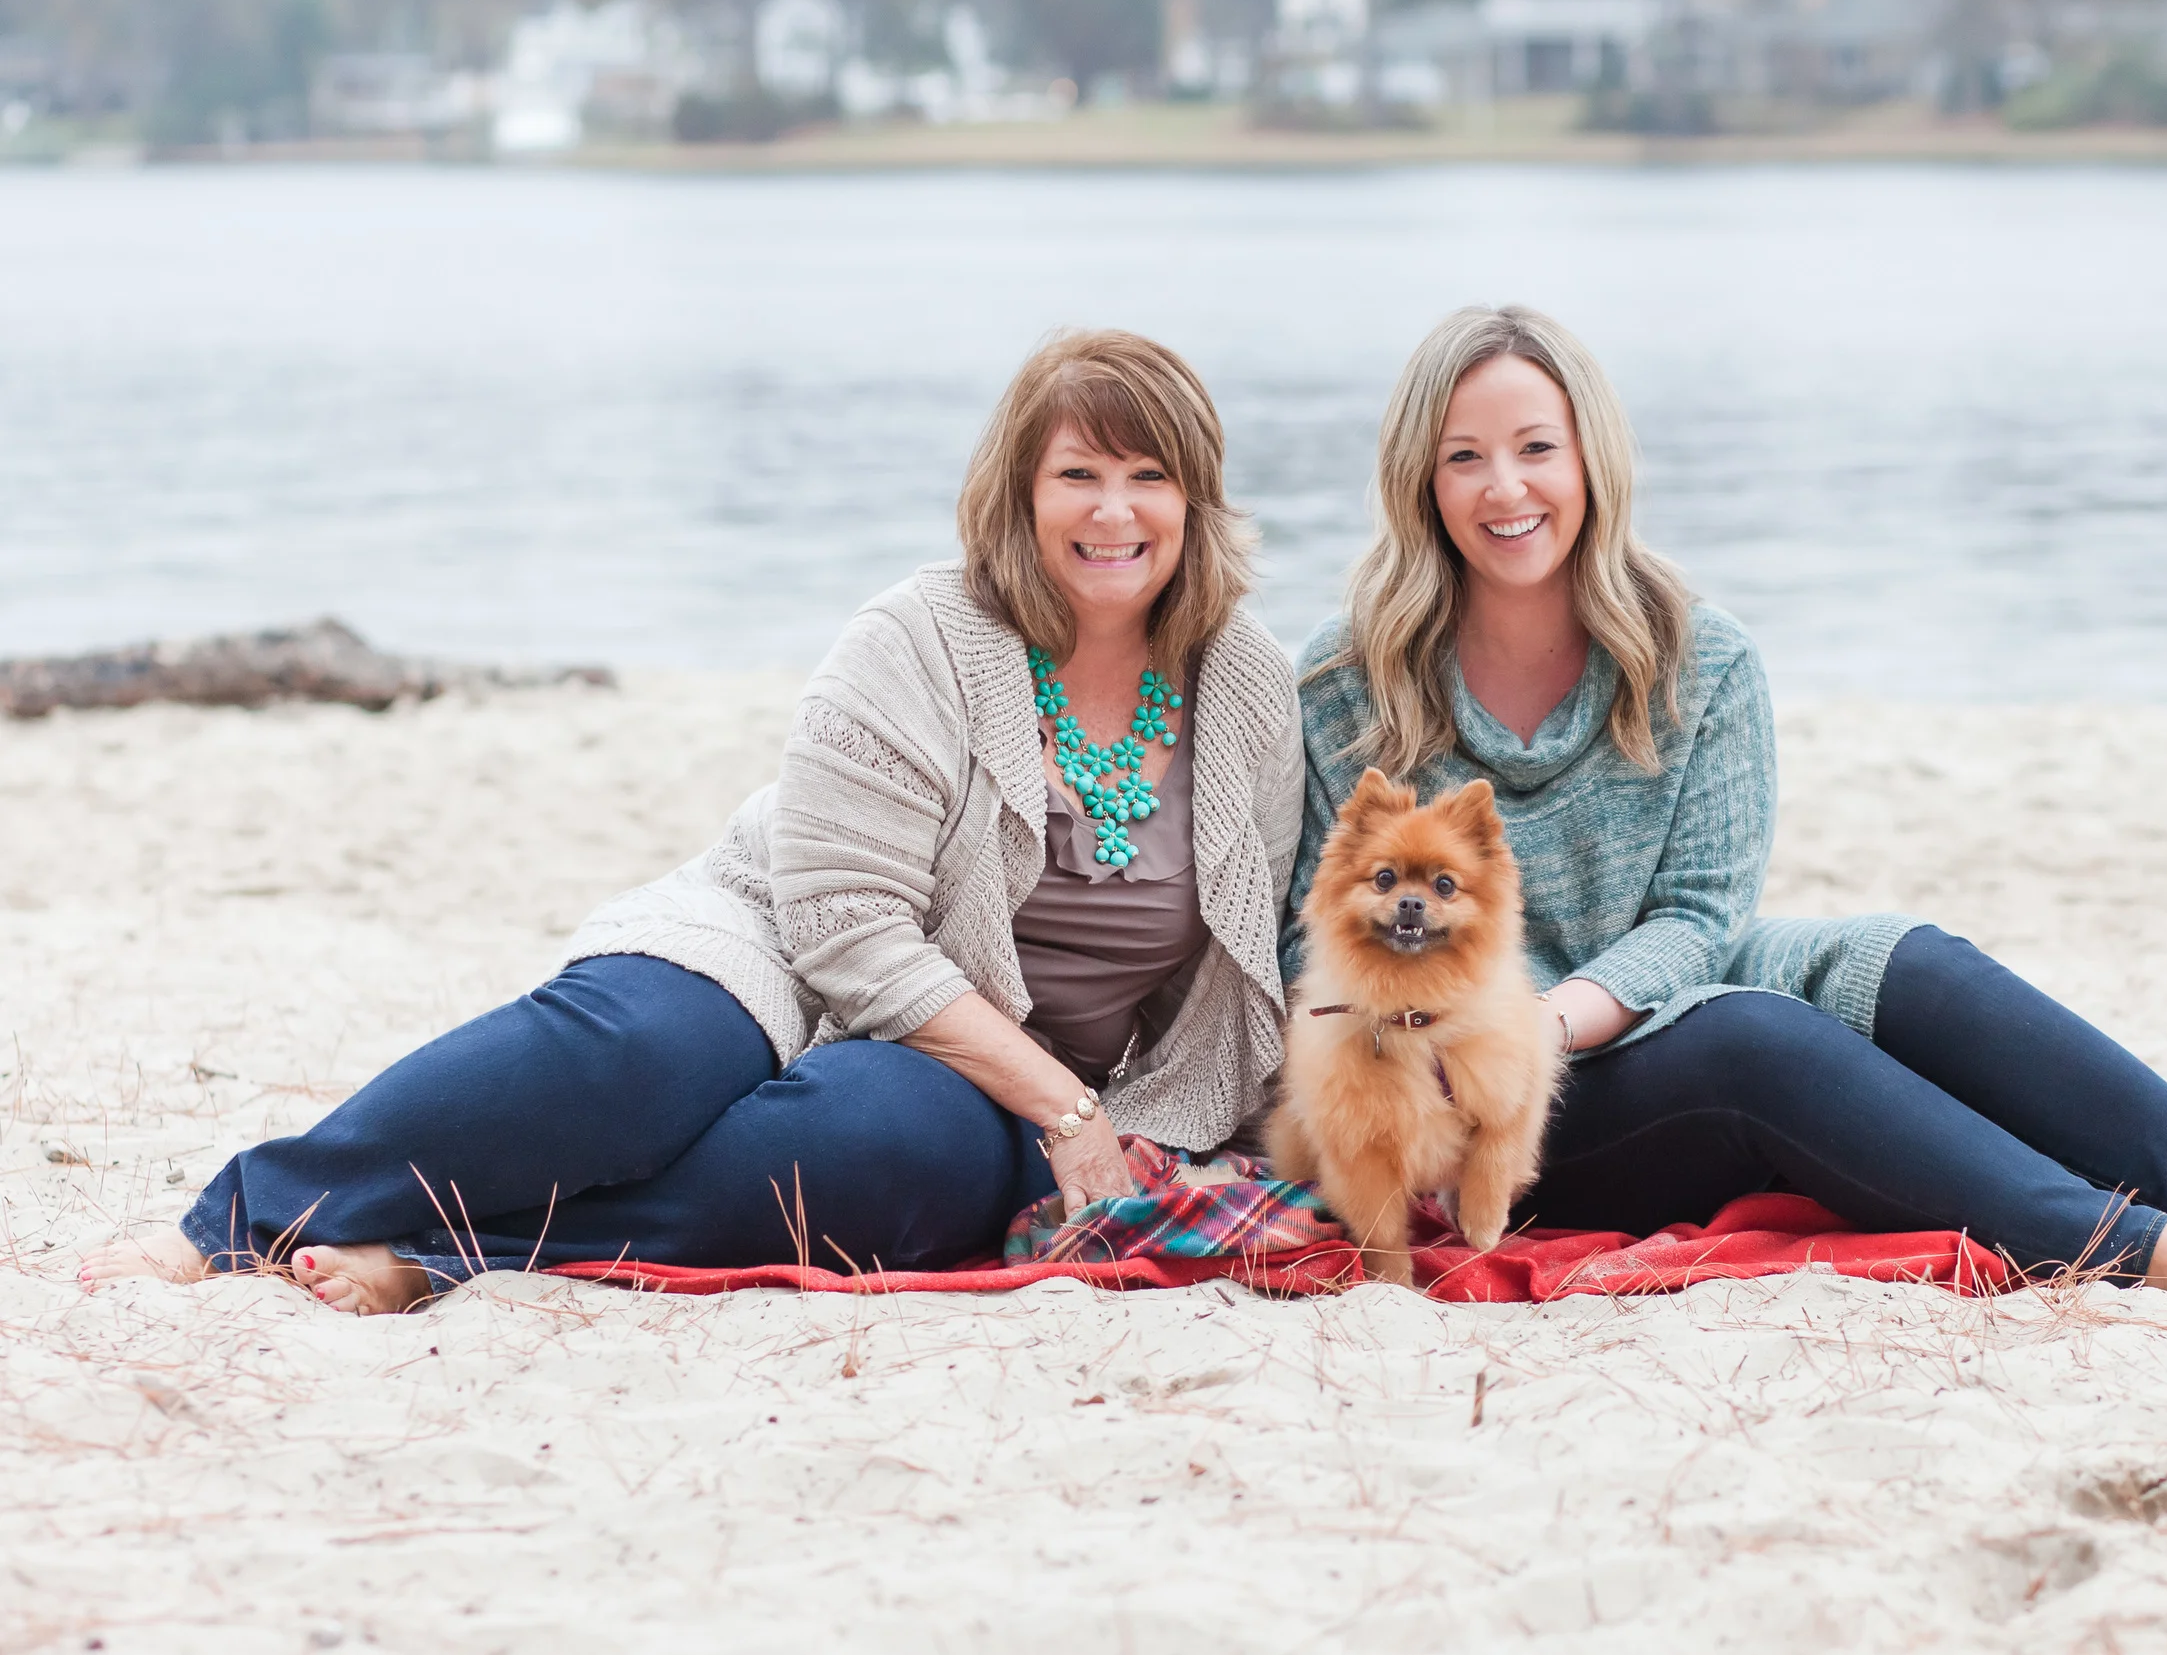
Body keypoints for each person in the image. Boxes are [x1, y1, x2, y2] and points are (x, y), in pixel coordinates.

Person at [84, 329, 1303, 1313]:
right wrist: (1066, 1105)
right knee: (633, 1059)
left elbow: (1244, 977)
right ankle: (241, 1216)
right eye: (1078, 473)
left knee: (886, 1155)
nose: (1115, 510)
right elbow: (844, 927)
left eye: (1152, 476)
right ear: (1019, 493)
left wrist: (1119, 1117)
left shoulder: (1243, 684)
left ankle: (449, 1256)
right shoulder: (916, 639)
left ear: (1195, 502)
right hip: (776, 947)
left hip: (982, 1083)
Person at [1286, 304, 2167, 1294]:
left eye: (1535, 449)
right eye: (1463, 458)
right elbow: (1309, 940)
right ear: (1418, 479)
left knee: (1912, 961)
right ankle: (2158, 1257)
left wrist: (1551, 1015)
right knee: (1753, 1039)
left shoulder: (1699, 656)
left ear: (1589, 459)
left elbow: (1700, 919)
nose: (1504, 489)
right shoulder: (1350, 679)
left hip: (1606, 1010)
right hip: (1483, 1099)